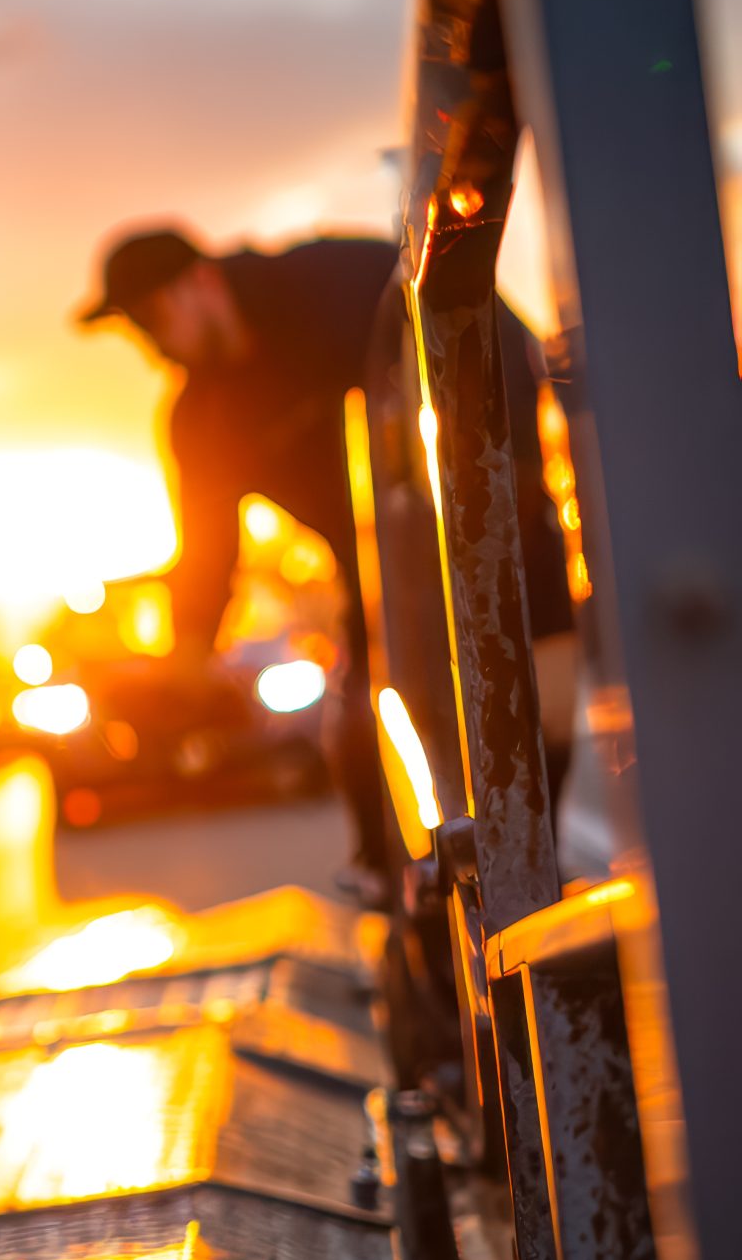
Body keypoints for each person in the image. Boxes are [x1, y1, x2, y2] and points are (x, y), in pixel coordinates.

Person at [76, 225, 578, 884]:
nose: (153, 346)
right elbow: (205, 550)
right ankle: (400, 896)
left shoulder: (343, 284)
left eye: (152, 319)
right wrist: (188, 658)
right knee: (365, 736)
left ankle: (549, 863)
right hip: (374, 577)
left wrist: (500, 484)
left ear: (201, 281)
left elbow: (490, 335)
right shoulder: (203, 419)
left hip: (490, 521)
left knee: (542, 710)